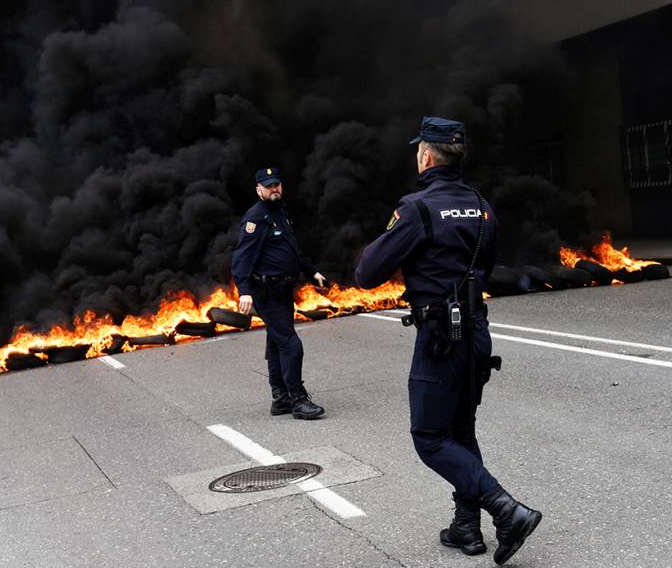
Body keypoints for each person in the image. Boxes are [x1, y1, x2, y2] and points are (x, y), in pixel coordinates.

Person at [355, 117, 542, 565]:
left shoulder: (417, 209)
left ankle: (506, 510)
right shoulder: (482, 207)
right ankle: (467, 528)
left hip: (440, 336)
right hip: (477, 333)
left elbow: (366, 274)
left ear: (425, 156)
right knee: (461, 430)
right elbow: (490, 262)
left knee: (429, 437)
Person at [231, 167, 327, 420]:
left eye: (277, 184)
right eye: (268, 185)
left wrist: (312, 271)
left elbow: (292, 249)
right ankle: (298, 399)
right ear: (258, 190)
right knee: (291, 344)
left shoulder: (280, 212)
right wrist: (244, 291)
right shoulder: (255, 218)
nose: (274, 189)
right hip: (265, 292)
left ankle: (280, 399)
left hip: (284, 290)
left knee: (276, 343)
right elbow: (242, 257)